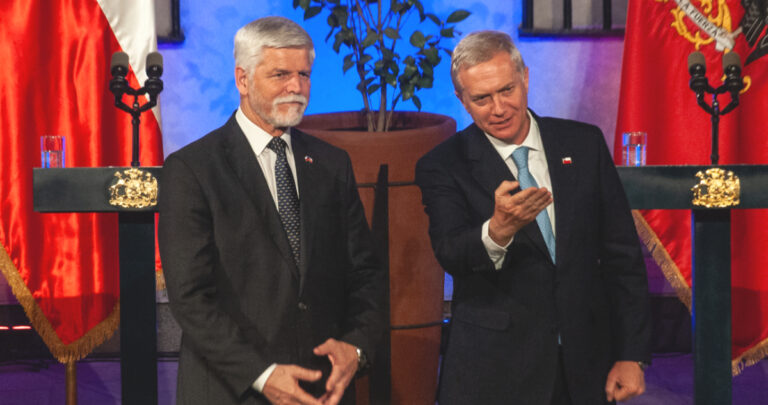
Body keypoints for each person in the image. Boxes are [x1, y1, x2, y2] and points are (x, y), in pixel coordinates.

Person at [414, 30, 651, 405]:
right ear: (462, 100)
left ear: (525, 77)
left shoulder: (583, 143)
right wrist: (498, 231)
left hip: (585, 365)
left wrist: (631, 354)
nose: (498, 108)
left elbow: (622, 256)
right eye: (481, 98)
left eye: (507, 90)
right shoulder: (443, 165)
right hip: (494, 373)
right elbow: (451, 253)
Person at [158, 16, 385, 405]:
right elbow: (191, 298)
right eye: (281, 74)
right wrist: (261, 375)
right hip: (233, 390)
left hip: (322, 389)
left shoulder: (332, 164)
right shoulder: (193, 169)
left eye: (304, 75)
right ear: (243, 80)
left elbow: (366, 273)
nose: (296, 87)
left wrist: (357, 347)